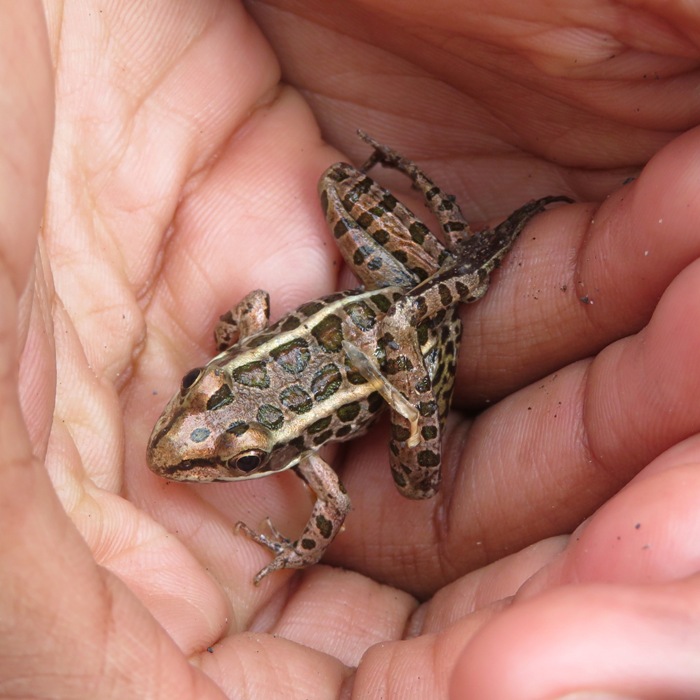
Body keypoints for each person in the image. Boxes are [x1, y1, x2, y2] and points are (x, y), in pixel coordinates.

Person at [3, 2, 700, 697]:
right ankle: (449, 268)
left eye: (246, 459)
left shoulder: (301, 454)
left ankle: (449, 280)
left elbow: (329, 498)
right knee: (359, 214)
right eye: (232, 445)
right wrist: (238, 351)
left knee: (415, 479)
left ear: (270, 445)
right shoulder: (270, 414)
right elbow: (256, 334)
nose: (186, 437)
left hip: (401, 326)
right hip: (393, 297)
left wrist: (295, 549)